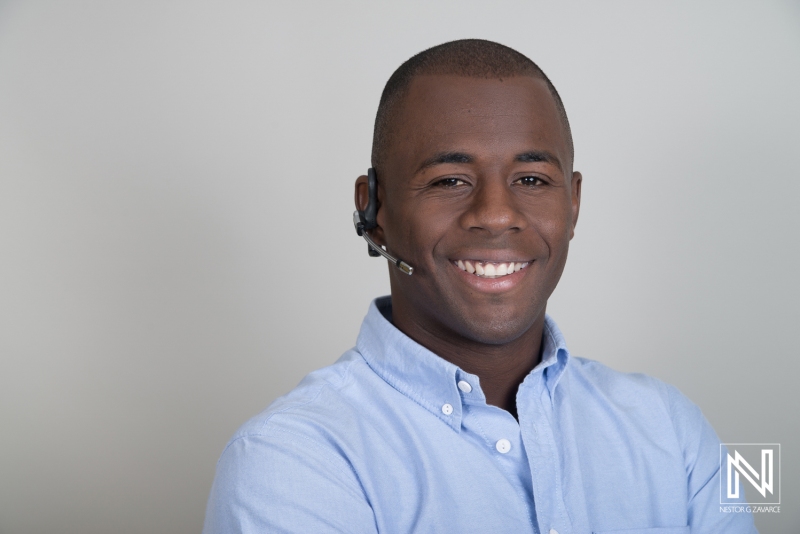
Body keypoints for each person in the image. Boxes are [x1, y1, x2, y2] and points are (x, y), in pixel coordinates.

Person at [203, 39, 756, 533]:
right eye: (449, 180)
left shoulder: (673, 428)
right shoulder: (290, 462)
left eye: (533, 180)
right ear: (372, 209)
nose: (495, 215)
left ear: (574, 202)